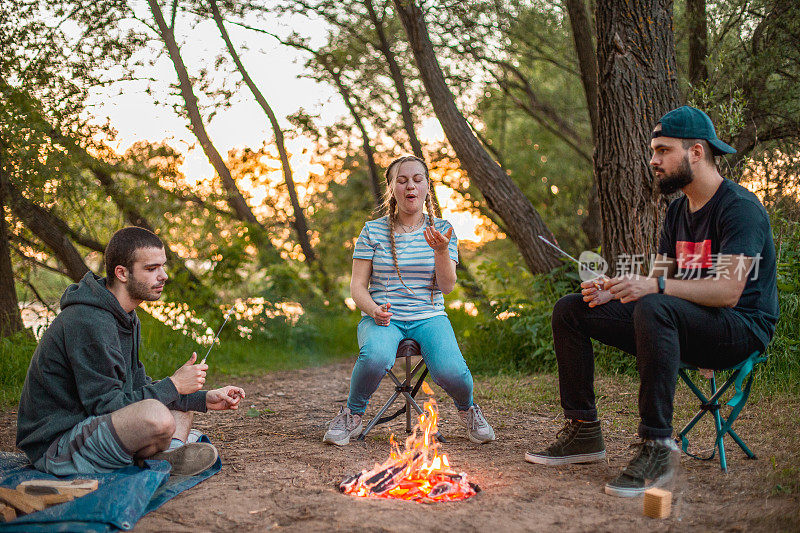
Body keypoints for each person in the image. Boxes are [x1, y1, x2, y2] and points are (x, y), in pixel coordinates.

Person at [525, 106, 778, 497]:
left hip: (739, 327)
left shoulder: (739, 208)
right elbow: (662, 281)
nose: (653, 161)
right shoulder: (677, 210)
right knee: (573, 309)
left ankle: (657, 445)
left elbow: (728, 292)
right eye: (653, 151)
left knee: (654, 304)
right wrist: (616, 291)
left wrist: (652, 289)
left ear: (695, 152)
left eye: (662, 150)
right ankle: (584, 432)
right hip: (686, 320)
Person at [16, 227, 246, 476]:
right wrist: (174, 385)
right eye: (151, 269)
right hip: (57, 444)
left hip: (95, 427)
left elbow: (136, 387)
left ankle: (171, 456)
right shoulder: (89, 320)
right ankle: (164, 460)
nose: (164, 276)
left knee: (180, 407)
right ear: (122, 273)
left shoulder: (126, 316)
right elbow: (105, 406)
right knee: (157, 414)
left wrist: (204, 398)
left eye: (162, 266)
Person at [323, 155, 495, 446]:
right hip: (382, 319)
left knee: (452, 371)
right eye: (401, 181)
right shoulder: (372, 231)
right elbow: (357, 287)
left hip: (430, 318)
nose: (410, 186)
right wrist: (373, 309)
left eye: (417, 179)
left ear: (427, 186)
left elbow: (448, 286)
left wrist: (441, 252)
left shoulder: (443, 229)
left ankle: (469, 410)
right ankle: (352, 415)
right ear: (391, 188)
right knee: (375, 356)